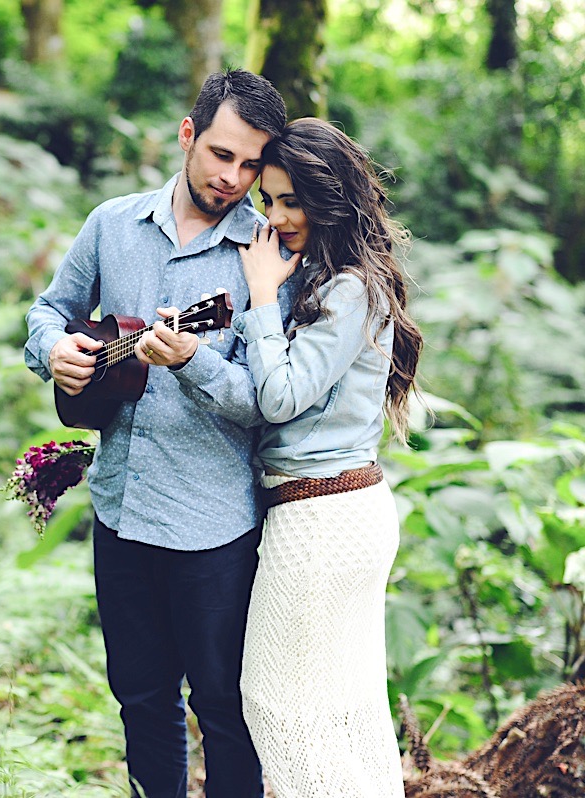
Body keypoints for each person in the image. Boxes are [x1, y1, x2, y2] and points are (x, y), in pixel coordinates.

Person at [25, 69, 290, 798]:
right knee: (141, 702)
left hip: (213, 527)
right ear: (187, 135)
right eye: (220, 155)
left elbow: (269, 402)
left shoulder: (267, 260)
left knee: (225, 713)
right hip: (120, 510)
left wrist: (195, 360)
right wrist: (52, 350)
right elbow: (48, 310)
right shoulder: (112, 225)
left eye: (250, 164)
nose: (233, 177)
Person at [234, 118, 423, 797]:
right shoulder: (336, 277)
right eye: (269, 201)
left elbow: (280, 397)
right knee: (347, 713)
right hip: (340, 510)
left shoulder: (348, 288)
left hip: (321, 519)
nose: (277, 218)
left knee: (274, 705)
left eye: (292, 201)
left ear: (330, 197)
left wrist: (259, 296)